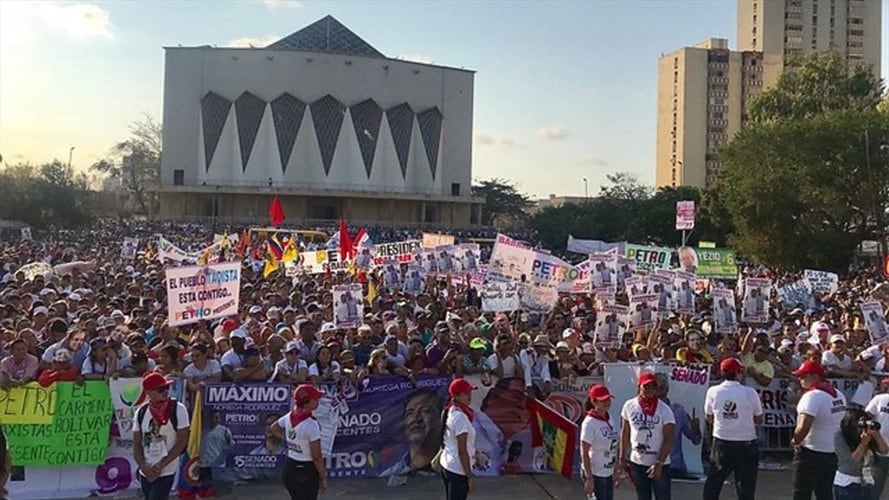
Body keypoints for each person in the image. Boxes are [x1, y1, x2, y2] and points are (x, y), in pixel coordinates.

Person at [703, 358, 764, 500]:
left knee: (714, 481)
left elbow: (709, 416)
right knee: (745, 485)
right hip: (746, 442)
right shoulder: (750, 392)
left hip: (722, 441)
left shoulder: (713, 391)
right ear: (738, 373)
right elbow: (758, 418)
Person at [790, 360, 847, 500]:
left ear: (815, 377)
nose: (800, 379)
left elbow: (804, 426)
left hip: (811, 451)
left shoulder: (812, 396)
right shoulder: (838, 394)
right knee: (825, 492)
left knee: (801, 492)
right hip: (832, 451)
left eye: (803, 376)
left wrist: (795, 441)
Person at [132, 372, 190, 500]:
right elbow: (136, 443)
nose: (165, 391)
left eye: (167, 388)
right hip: (146, 468)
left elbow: (182, 440)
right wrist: (143, 466)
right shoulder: (141, 412)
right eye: (160, 389)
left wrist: (161, 465)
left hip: (167, 468)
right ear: (148, 392)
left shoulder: (178, 409)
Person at [618, 371, 674, 500]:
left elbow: (669, 438)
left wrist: (659, 463)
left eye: (653, 386)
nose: (650, 389)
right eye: (646, 386)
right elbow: (625, 432)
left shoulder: (665, 410)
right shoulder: (629, 406)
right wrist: (622, 458)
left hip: (660, 463)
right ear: (639, 387)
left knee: (663, 497)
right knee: (643, 496)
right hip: (637, 462)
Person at [269, 384, 328, 500]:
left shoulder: (290, 416)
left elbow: (273, 428)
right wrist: (323, 477)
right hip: (307, 471)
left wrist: (289, 440)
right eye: (315, 399)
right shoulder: (311, 425)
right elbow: (316, 456)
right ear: (307, 402)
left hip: (290, 468)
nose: (318, 401)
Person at [379, 390, 444, 483]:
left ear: (440, 419)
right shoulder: (390, 477)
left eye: (424, 411)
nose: (416, 418)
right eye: (410, 413)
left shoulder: (453, 471)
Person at [833, 408, 889, 500]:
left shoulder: (867, 432)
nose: (861, 429)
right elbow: (851, 462)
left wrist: (876, 435)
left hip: (868, 482)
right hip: (848, 483)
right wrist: (863, 444)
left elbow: (884, 451)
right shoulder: (840, 436)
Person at [439, 378, 477, 500]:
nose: (469, 396)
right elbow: (462, 450)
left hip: (449, 465)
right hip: (457, 470)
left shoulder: (451, 410)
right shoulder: (460, 417)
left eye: (470, 392)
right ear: (456, 396)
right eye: (466, 393)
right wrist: (469, 476)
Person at [580, 384, 619, 500]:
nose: (607, 402)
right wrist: (589, 478)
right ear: (594, 401)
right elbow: (584, 452)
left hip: (608, 471)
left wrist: (615, 470)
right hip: (596, 473)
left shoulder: (609, 418)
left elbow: (614, 446)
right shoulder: (589, 423)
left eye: (608, 399)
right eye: (603, 400)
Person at [864, 377, 889, 498]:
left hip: (877, 449)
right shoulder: (879, 399)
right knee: (873, 489)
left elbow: (865, 418)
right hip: (878, 451)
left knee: (873, 490)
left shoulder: (879, 398)